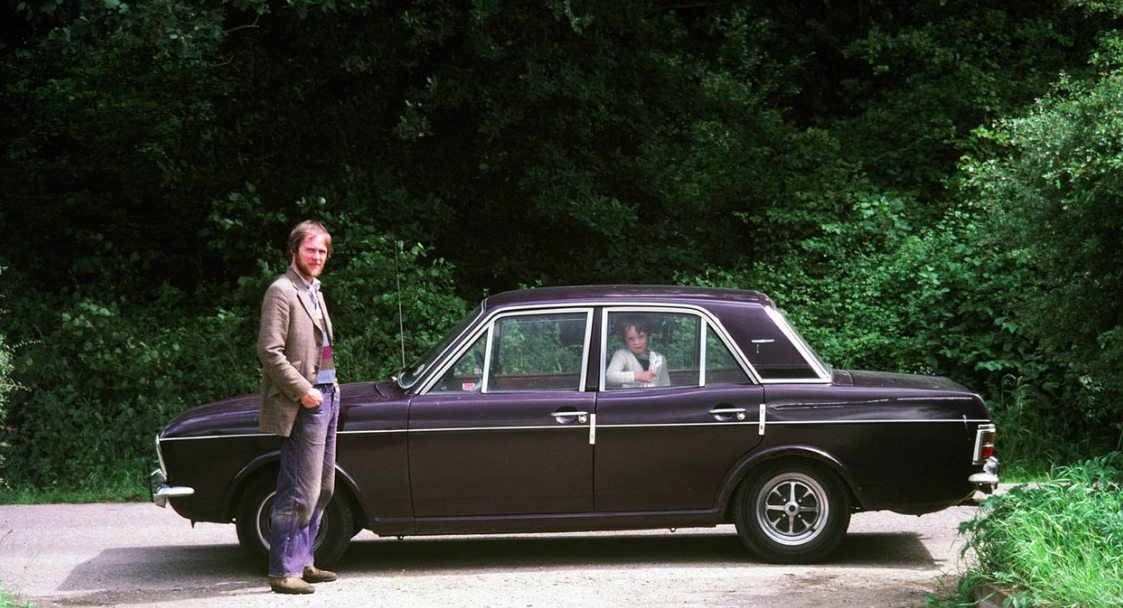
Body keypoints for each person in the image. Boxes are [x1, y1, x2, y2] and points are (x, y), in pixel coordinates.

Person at [257, 220, 341, 595]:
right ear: (294, 251)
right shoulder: (281, 290)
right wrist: (304, 391)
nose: (317, 256)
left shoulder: (314, 290)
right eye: (311, 249)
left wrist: (330, 388)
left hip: (327, 395)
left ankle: (303, 561)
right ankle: (283, 571)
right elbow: (269, 351)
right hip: (304, 400)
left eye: (322, 251)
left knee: (323, 487)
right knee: (297, 490)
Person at [605, 316, 671, 388]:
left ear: (648, 336)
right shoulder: (622, 355)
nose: (636, 342)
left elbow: (665, 383)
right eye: (631, 338)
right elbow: (610, 376)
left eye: (641, 336)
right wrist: (637, 376)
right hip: (632, 395)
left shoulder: (659, 359)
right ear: (624, 340)